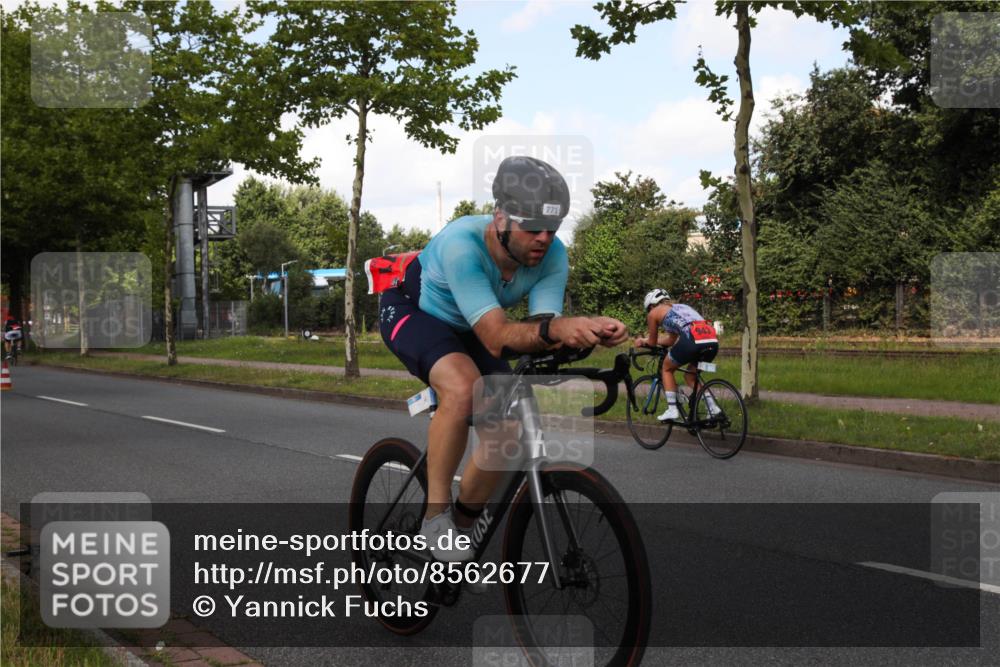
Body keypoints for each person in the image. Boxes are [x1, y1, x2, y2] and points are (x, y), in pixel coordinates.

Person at [379, 156, 629, 561]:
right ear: (501, 218)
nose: (544, 238)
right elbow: (498, 338)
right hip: (415, 313)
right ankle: (433, 520)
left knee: (509, 430)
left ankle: (460, 535)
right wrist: (556, 330)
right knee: (462, 388)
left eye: (553, 228)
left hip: (474, 325)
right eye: (532, 226)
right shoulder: (463, 246)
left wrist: (589, 332)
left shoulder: (552, 254)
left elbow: (541, 329)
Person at [632, 289, 720, 422]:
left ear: (651, 306)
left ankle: (672, 409)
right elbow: (671, 340)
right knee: (690, 375)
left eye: (648, 309)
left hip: (693, 339)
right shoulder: (681, 307)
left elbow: (652, 342)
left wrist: (643, 341)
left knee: (667, 369)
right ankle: (713, 407)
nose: (649, 312)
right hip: (712, 341)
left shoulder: (653, 313)